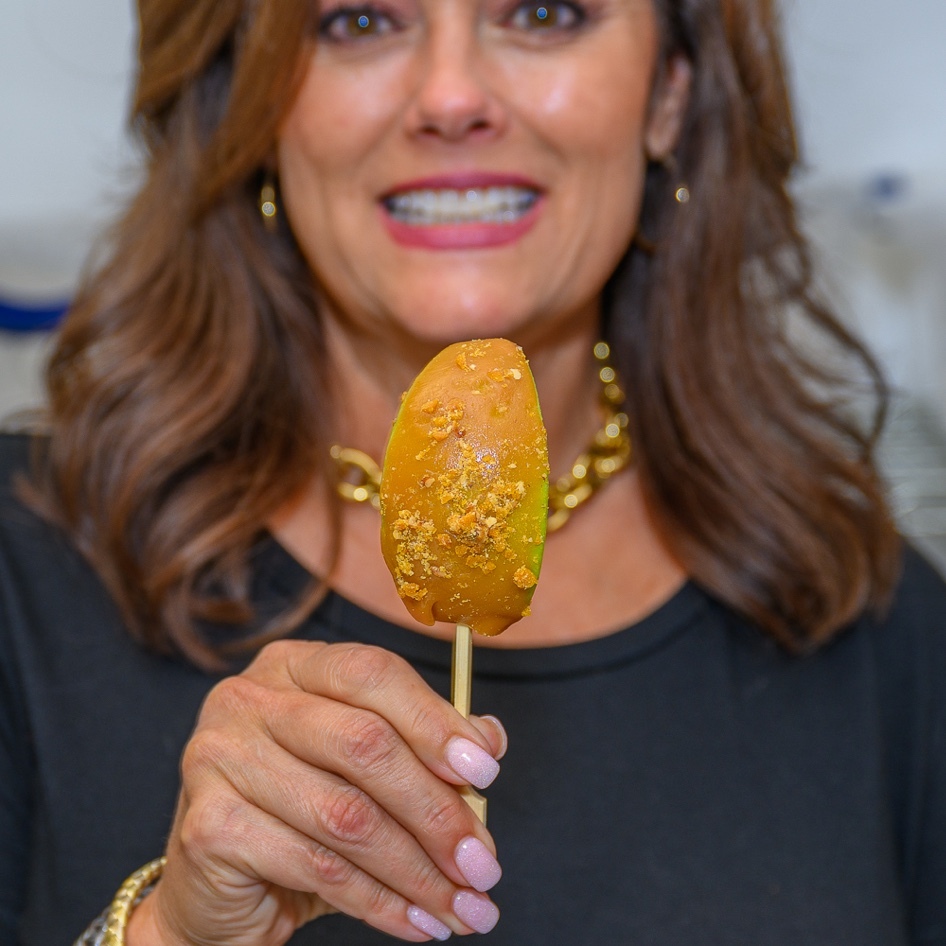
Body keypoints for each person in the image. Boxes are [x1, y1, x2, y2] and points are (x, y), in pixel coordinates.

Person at [1, 0, 944, 942]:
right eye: (358, 23)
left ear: (669, 93)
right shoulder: (22, 570)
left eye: (543, 12)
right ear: (248, 109)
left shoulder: (885, 628)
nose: (451, 98)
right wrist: (170, 933)